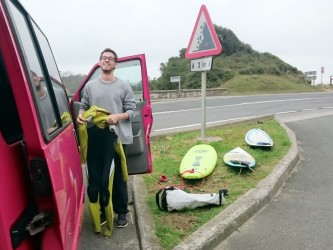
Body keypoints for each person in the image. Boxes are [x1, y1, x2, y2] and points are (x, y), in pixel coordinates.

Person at [77, 48, 136, 229]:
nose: (107, 61)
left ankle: (121, 212)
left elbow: (132, 111)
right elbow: (84, 106)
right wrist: (81, 115)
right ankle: (103, 210)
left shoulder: (124, 86)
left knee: (118, 177)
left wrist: (118, 117)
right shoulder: (90, 86)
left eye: (110, 59)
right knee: (98, 177)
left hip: (116, 138)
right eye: (104, 58)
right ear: (100, 62)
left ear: (115, 64)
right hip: (95, 137)